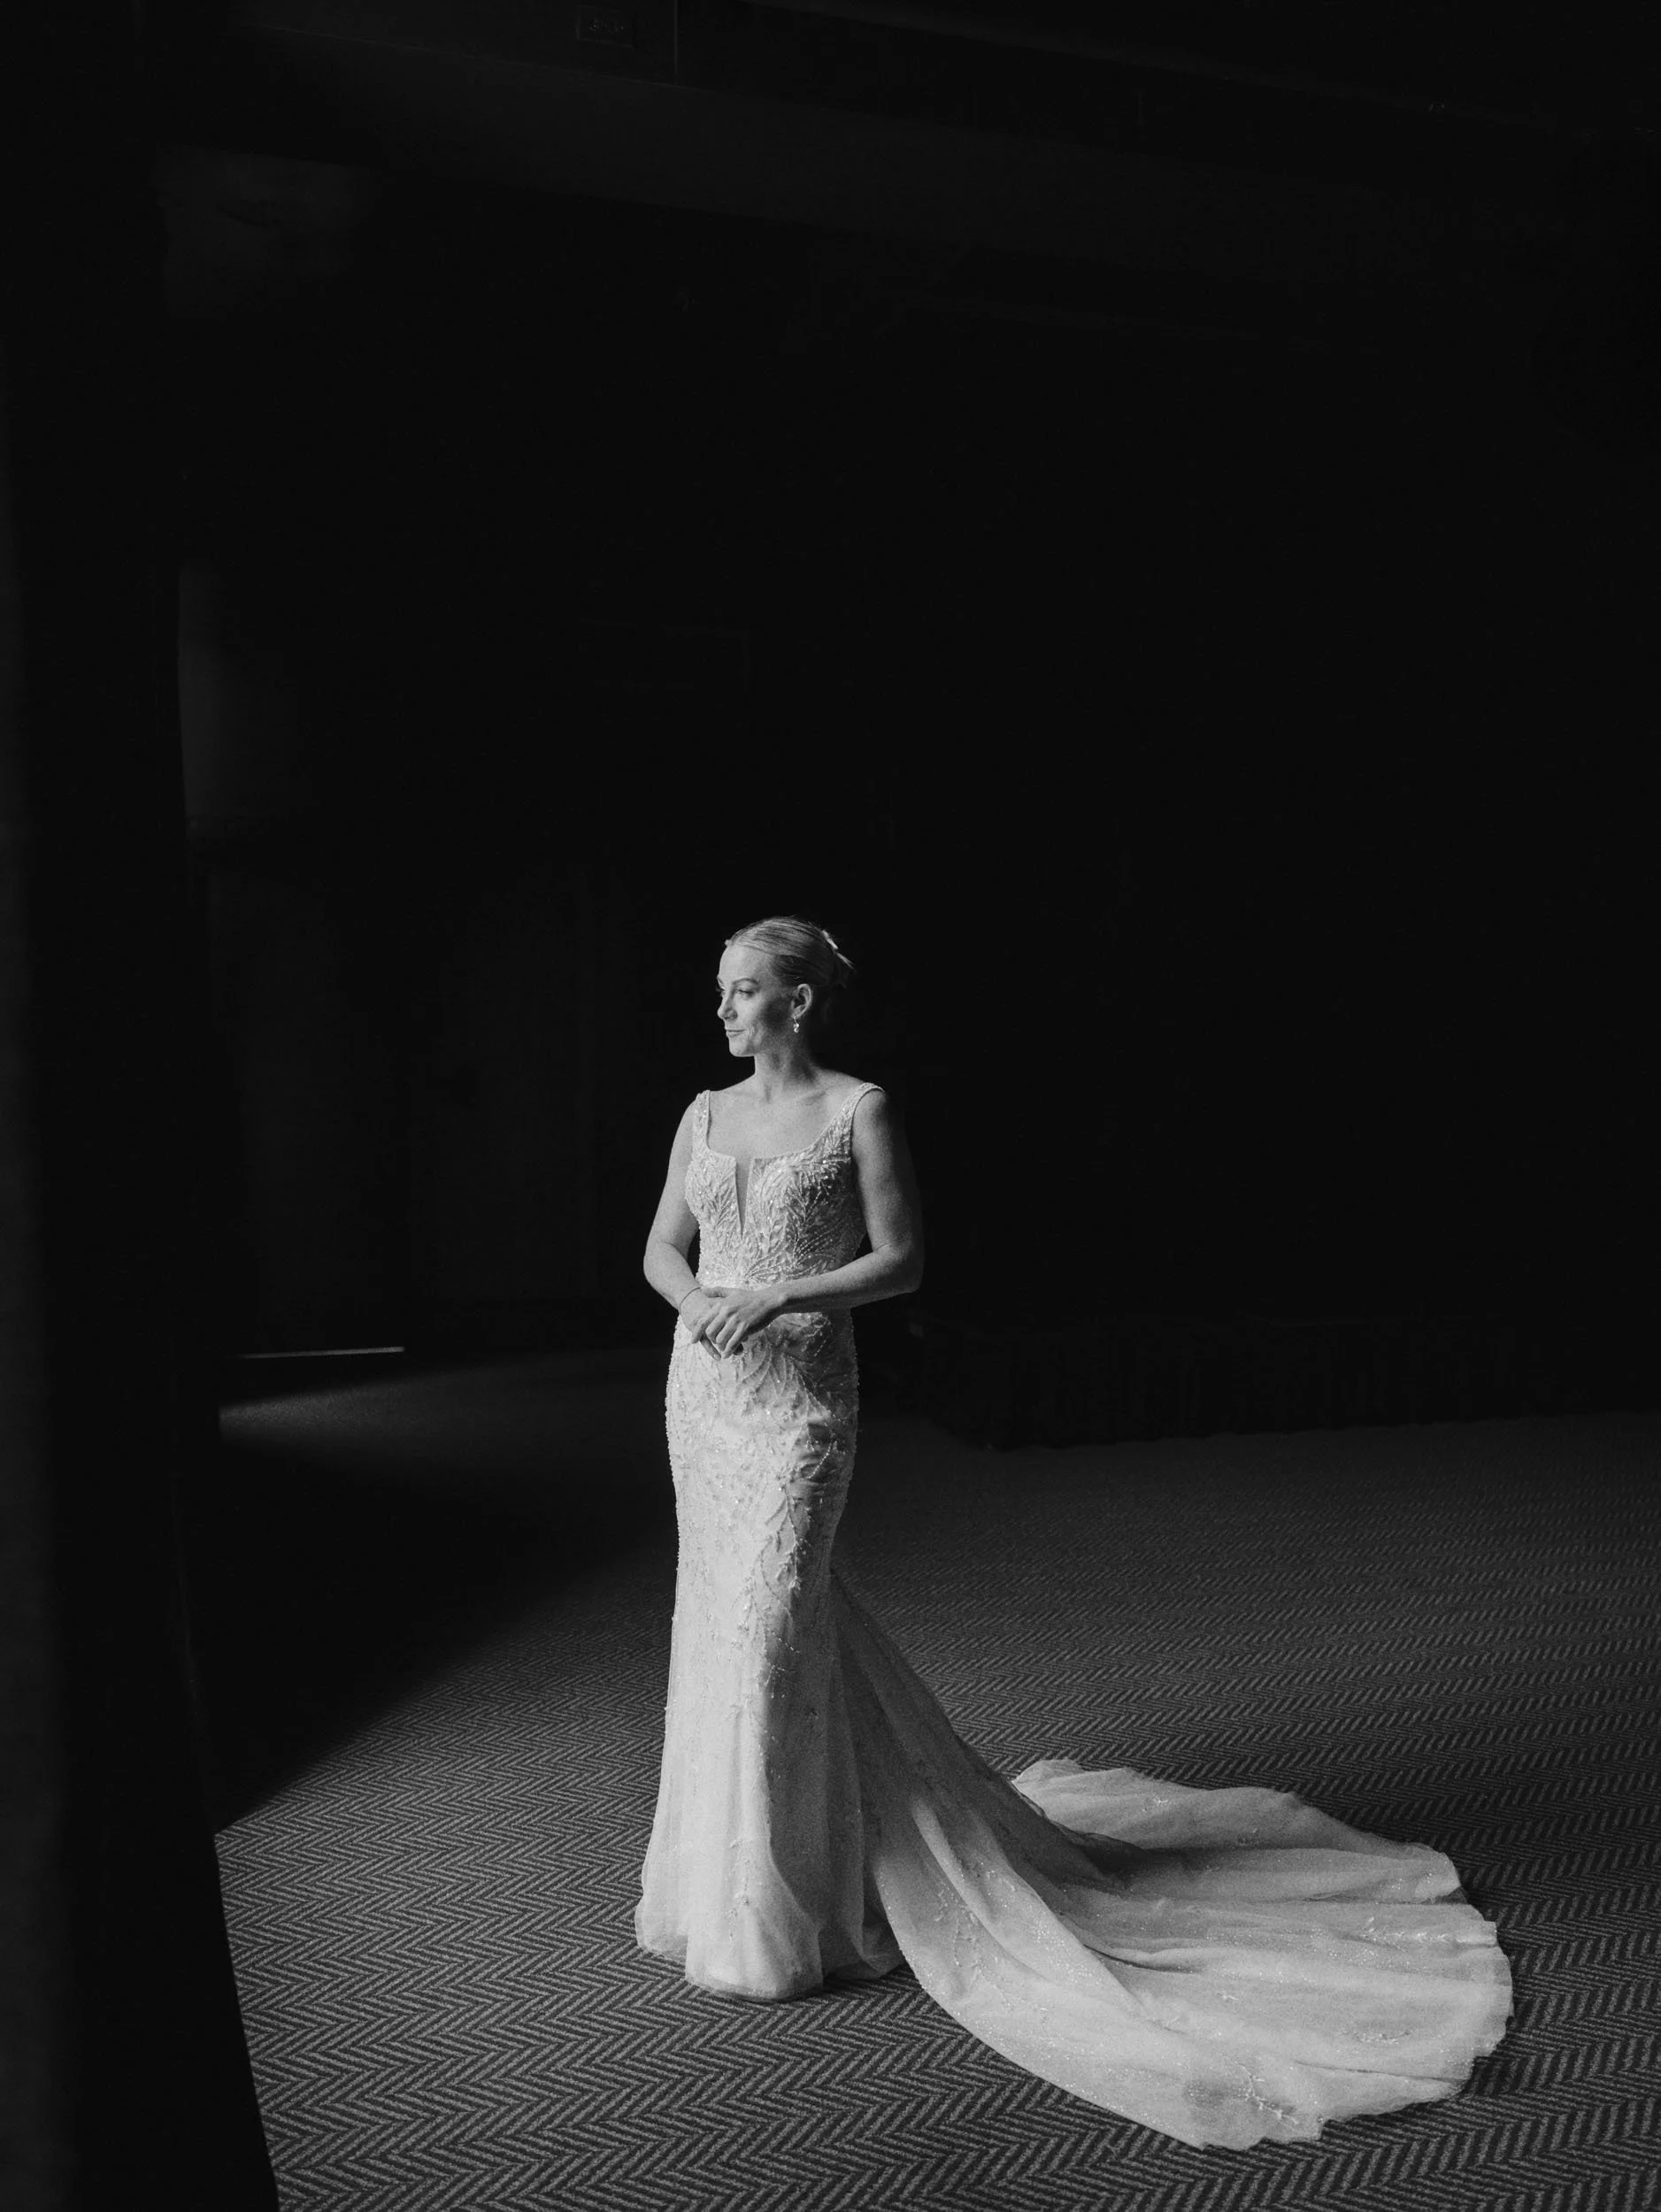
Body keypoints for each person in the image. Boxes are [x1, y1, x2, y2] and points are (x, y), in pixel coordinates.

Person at [636, 914, 1512, 2150]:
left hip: (799, 1406)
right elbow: (660, 1252)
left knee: (775, 1623)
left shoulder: (861, 1109)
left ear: (799, 1003)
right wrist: (705, 1304)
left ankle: (809, 1901)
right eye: (720, 991)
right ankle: (740, 1890)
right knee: (725, 1632)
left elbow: (902, 1262)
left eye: (743, 991)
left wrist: (779, 1291)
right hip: (705, 1395)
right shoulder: (701, 1112)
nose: (722, 1010)